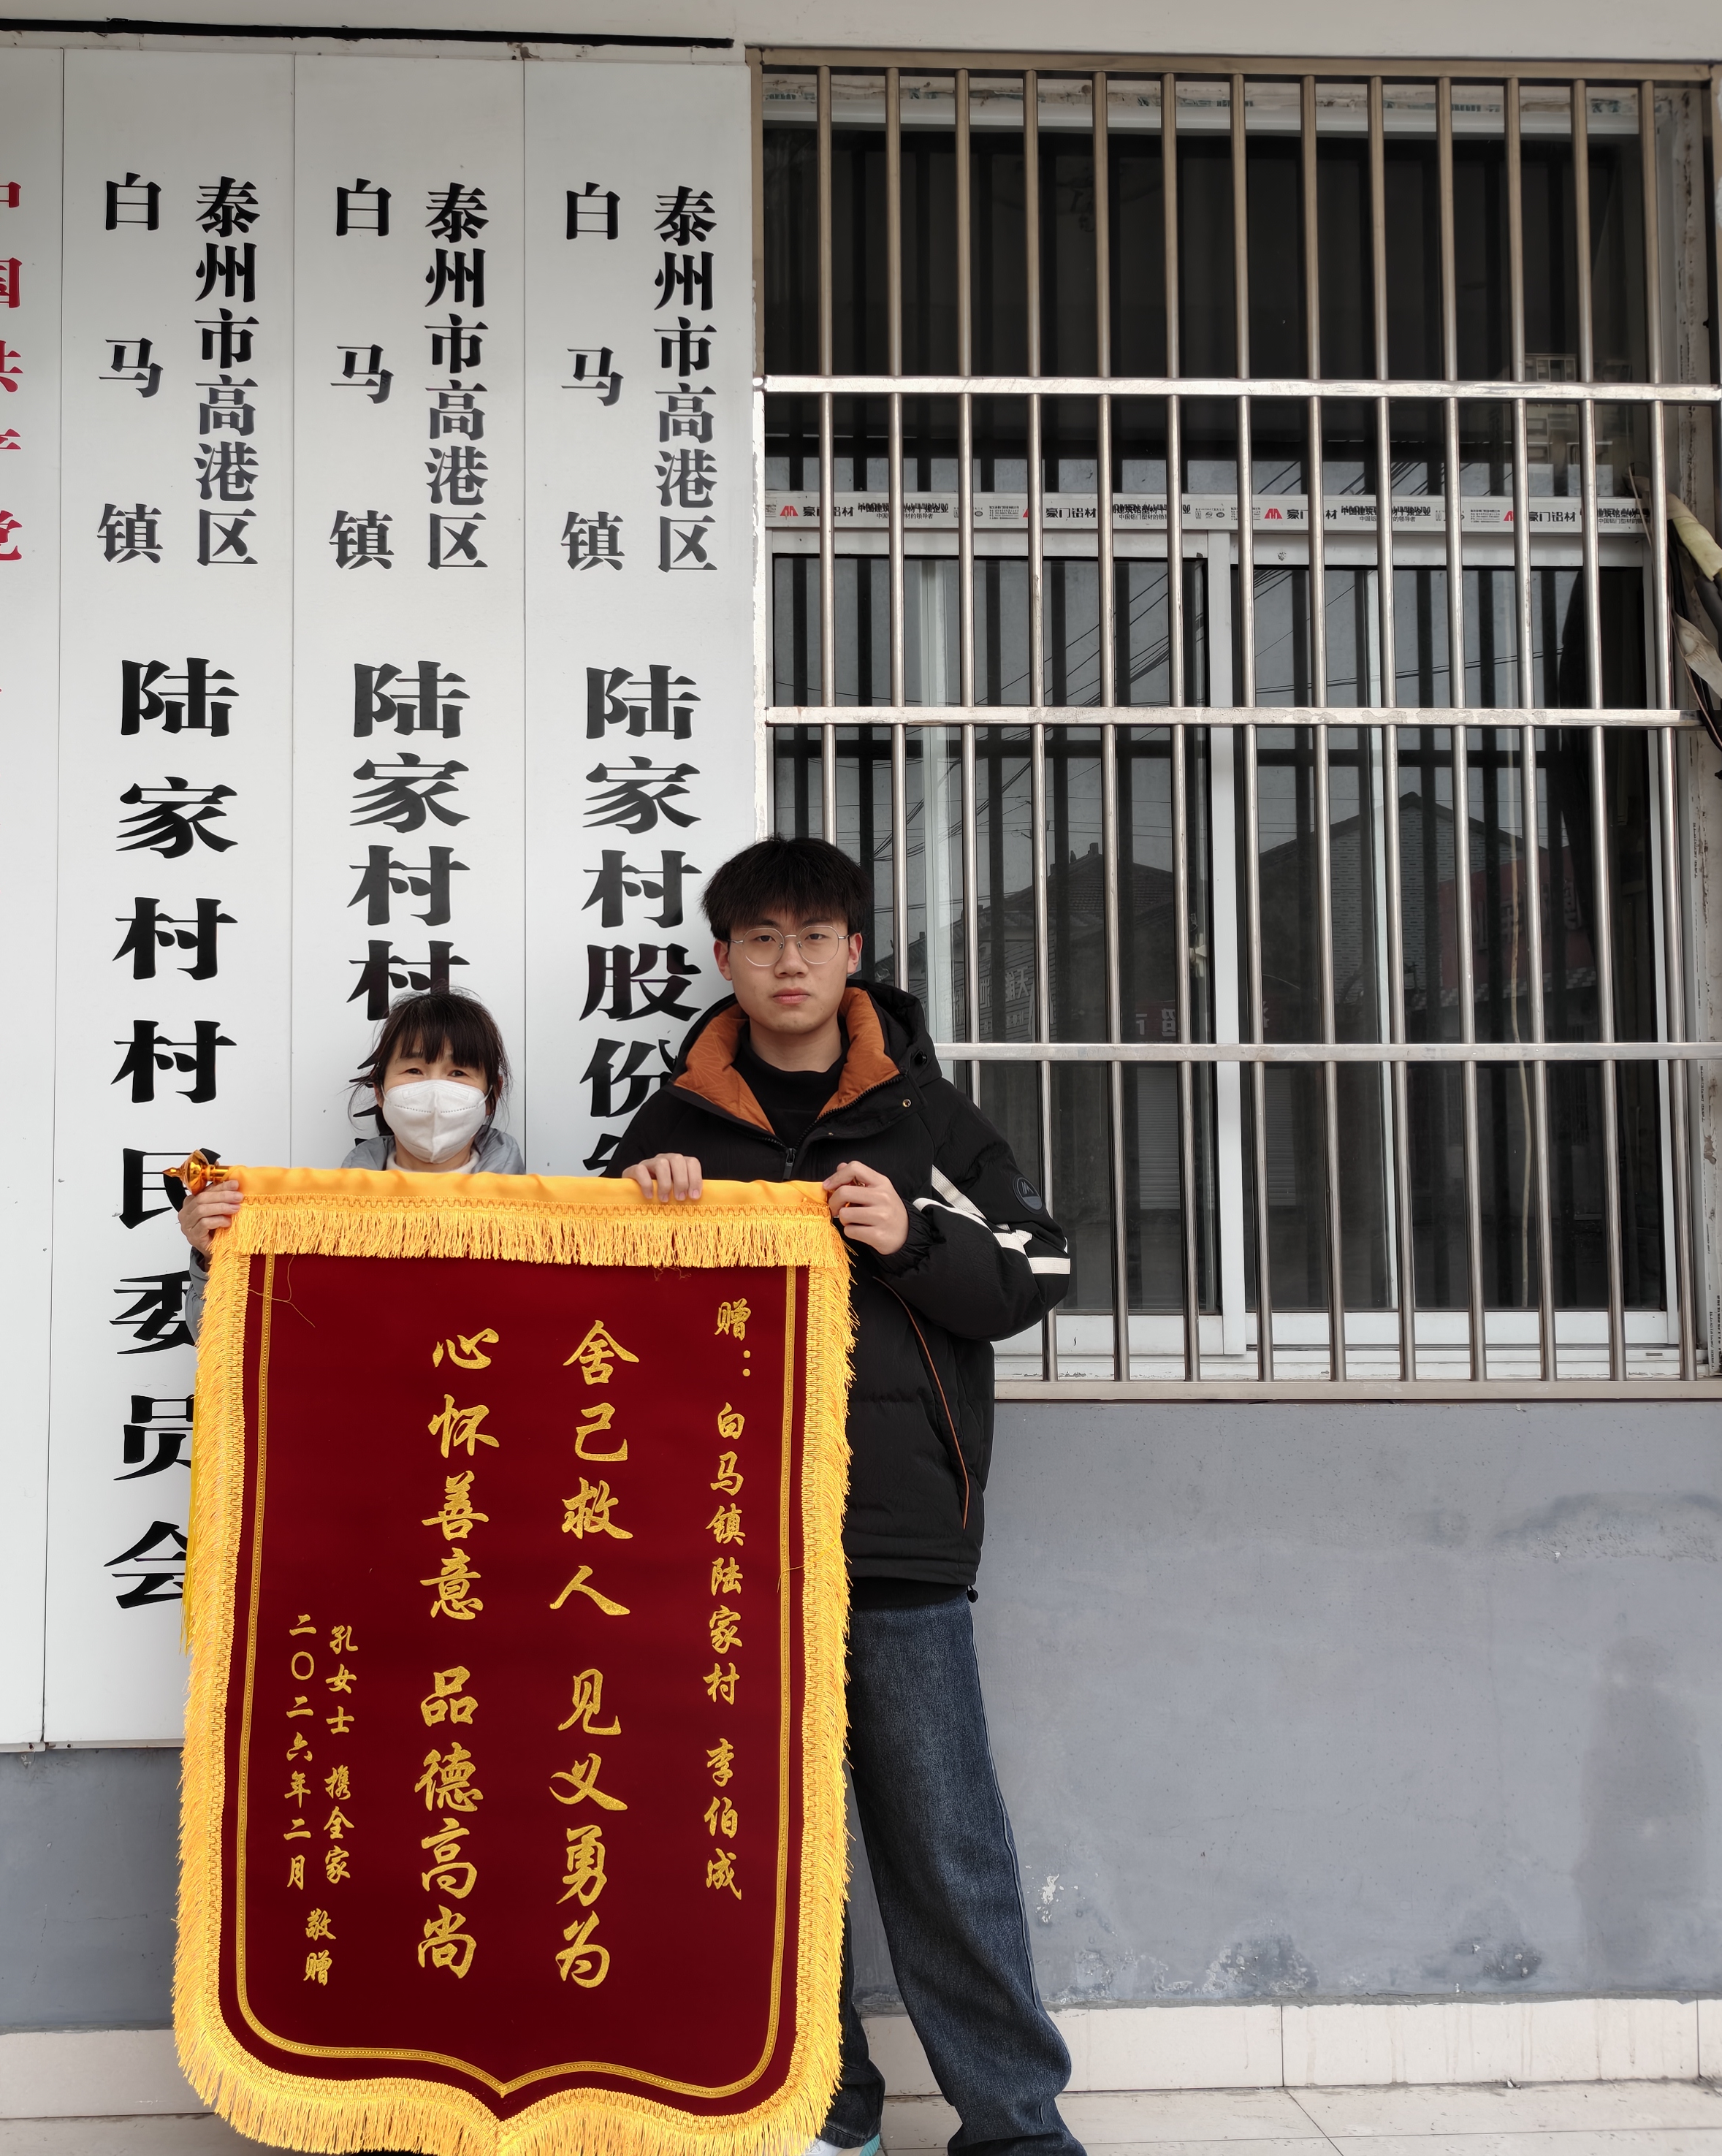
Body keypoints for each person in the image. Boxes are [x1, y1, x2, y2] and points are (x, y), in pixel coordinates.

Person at [604, 837, 1083, 2156]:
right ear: (724, 958)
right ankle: (824, 2110)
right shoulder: (675, 1127)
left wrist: (913, 1235)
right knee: (767, 1848)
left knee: (947, 1851)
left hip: (899, 1538)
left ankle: (1017, 2129)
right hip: (724, 1550)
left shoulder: (924, 1116)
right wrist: (642, 1227)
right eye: (762, 938)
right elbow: (589, 1332)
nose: (790, 962)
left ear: (855, 952)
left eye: (815, 936)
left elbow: (1042, 1267)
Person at [178, 989, 526, 1333]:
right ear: (379, 1090)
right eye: (414, 1070)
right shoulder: (319, 1220)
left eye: (458, 1073)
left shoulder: (539, 1231)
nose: (435, 1091)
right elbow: (245, 1342)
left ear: (490, 1095)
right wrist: (215, 1256)